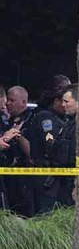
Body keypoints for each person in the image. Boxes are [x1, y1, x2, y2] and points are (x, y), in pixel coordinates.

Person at [27, 76, 71, 214]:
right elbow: (50, 145)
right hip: (46, 175)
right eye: (64, 101)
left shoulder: (64, 119)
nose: (66, 105)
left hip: (56, 177)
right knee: (47, 214)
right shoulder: (46, 118)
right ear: (56, 101)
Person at [3, 86, 35, 216]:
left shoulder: (32, 120)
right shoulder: (7, 120)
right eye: (7, 100)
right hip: (9, 177)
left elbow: (33, 152)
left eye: (12, 100)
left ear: (23, 102)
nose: (8, 103)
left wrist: (18, 135)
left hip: (26, 177)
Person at [52, 84, 79, 207]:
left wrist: (78, 184)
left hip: (74, 180)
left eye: (67, 101)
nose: (63, 105)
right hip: (64, 181)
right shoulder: (69, 123)